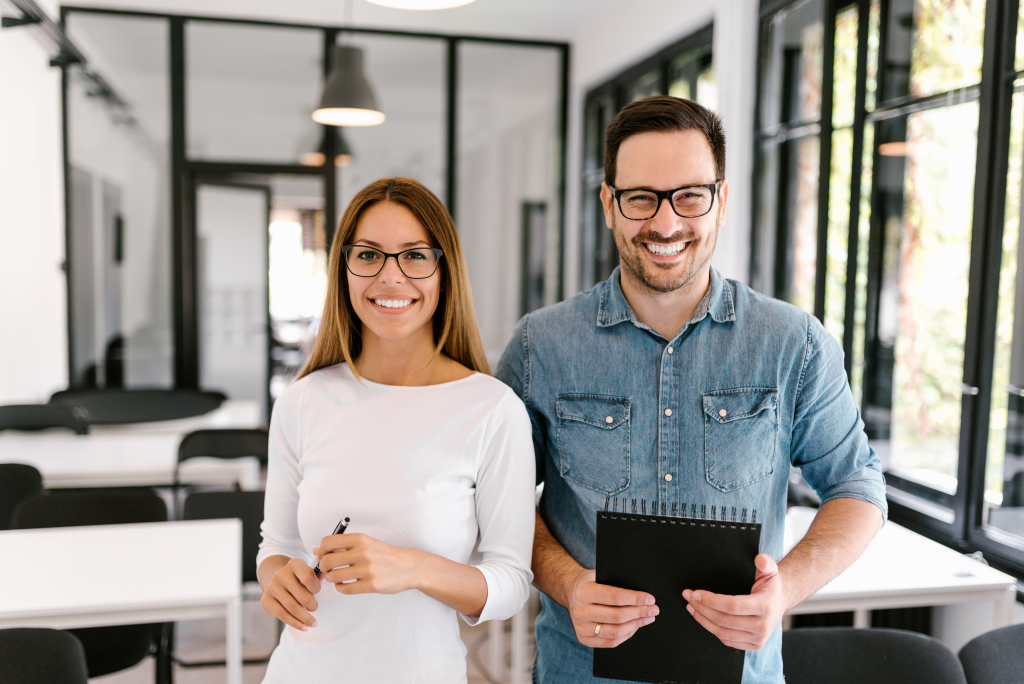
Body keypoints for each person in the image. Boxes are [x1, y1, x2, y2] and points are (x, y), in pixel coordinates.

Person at [495, 96, 887, 684]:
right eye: (641, 197)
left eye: (689, 196)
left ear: (721, 200)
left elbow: (858, 486)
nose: (666, 223)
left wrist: (786, 590)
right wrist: (568, 582)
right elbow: (496, 502)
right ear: (609, 204)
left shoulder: (793, 343)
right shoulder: (538, 347)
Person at [257, 177, 536, 683]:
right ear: (343, 269)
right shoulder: (303, 401)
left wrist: (413, 568)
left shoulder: (492, 410)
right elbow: (275, 547)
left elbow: (512, 582)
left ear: (443, 270)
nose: (390, 277)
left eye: (414, 256)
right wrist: (278, 578)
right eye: (368, 255)